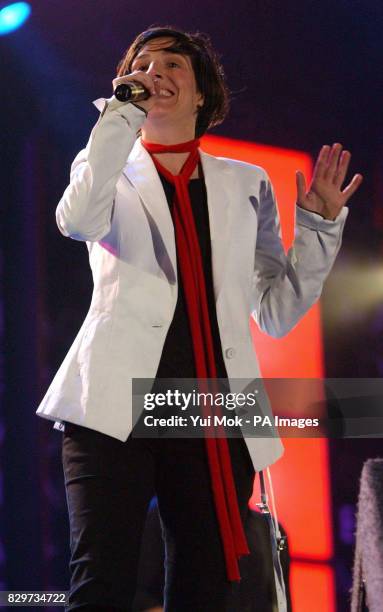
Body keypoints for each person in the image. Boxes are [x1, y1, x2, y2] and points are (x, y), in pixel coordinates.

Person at [36, 25, 363, 611]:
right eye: (142, 63)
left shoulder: (245, 182)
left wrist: (318, 229)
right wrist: (118, 116)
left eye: (172, 65)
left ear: (202, 94)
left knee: (205, 588)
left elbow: (276, 311)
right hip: (112, 399)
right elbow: (79, 220)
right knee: (100, 583)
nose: (155, 71)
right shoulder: (103, 162)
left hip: (210, 406)